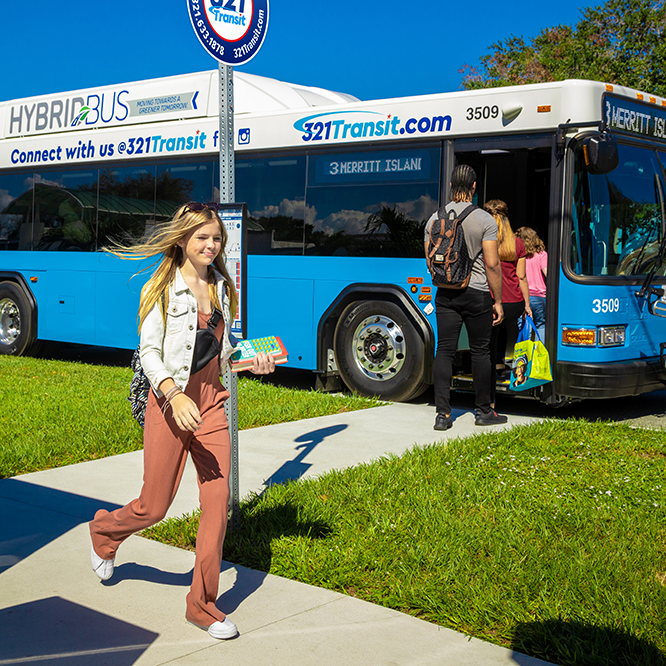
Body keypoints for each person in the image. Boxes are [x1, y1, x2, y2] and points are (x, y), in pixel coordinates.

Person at [89, 202, 275, 640]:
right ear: (182, 240)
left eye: (216, 239)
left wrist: (253, 360)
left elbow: (221, 350)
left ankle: (202, 605)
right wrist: (173, 395)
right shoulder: (161, 287)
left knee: (217, 505)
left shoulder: (224, 286)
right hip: (171, 406)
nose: (211, 245)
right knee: (154, 507)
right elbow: (148, 353)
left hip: (212, 406)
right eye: (202, 238)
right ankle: (104, 531)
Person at [424, 165, 507, 430]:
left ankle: (442, 415)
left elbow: (430, 262)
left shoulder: (433, 219)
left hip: (445, 293)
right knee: (480, 352)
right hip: (477, 292)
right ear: (474, 187)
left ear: (450, 186)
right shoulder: (484, 220)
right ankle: (484, 411)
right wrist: (498, 300)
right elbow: (493, 264)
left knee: (445, 350)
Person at [483, 200, 532, 407]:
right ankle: (507, 367)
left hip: (493, 300)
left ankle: (489, 397)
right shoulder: (517, 243)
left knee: (487, 347)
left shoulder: (484, 240)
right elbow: (521, 277)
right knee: (508, 331)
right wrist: (527, 305)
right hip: (515, 302)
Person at [515, 226, 547, 341]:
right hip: (540, 297)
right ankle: (539, 355)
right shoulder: (542, 254)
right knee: (541, 326)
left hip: (523, 296)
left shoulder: (517, 255)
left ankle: (525, 355)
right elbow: (547, 273)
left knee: (524, 326)